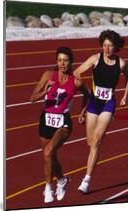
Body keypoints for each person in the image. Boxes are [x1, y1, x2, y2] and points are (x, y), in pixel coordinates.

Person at [73, 30, 128, 193]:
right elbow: (77, 72)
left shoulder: (121, 64)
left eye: (110, 46)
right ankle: (95, 154)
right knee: (90, 142)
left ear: (116, 47)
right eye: (104, 45)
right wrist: (82, 87)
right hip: (93, 103)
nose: (107, 49)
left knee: (97, 140)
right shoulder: (95, 59)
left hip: (108, 104)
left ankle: (86, 180)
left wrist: (125, 96)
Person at [30, 47, 89, 203]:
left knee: (48, 152)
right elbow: (32, 98)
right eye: (60, 60)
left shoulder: (76, 81)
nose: (62, 63)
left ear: (71, 62)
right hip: (46, 120)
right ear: (56, 61)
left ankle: (48, 187)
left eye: (66, 60)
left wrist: (82, 113)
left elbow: (87, 95)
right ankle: (62, 180)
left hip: (63, 122)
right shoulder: (48, 75)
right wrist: (45, 91)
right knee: (50, 157)